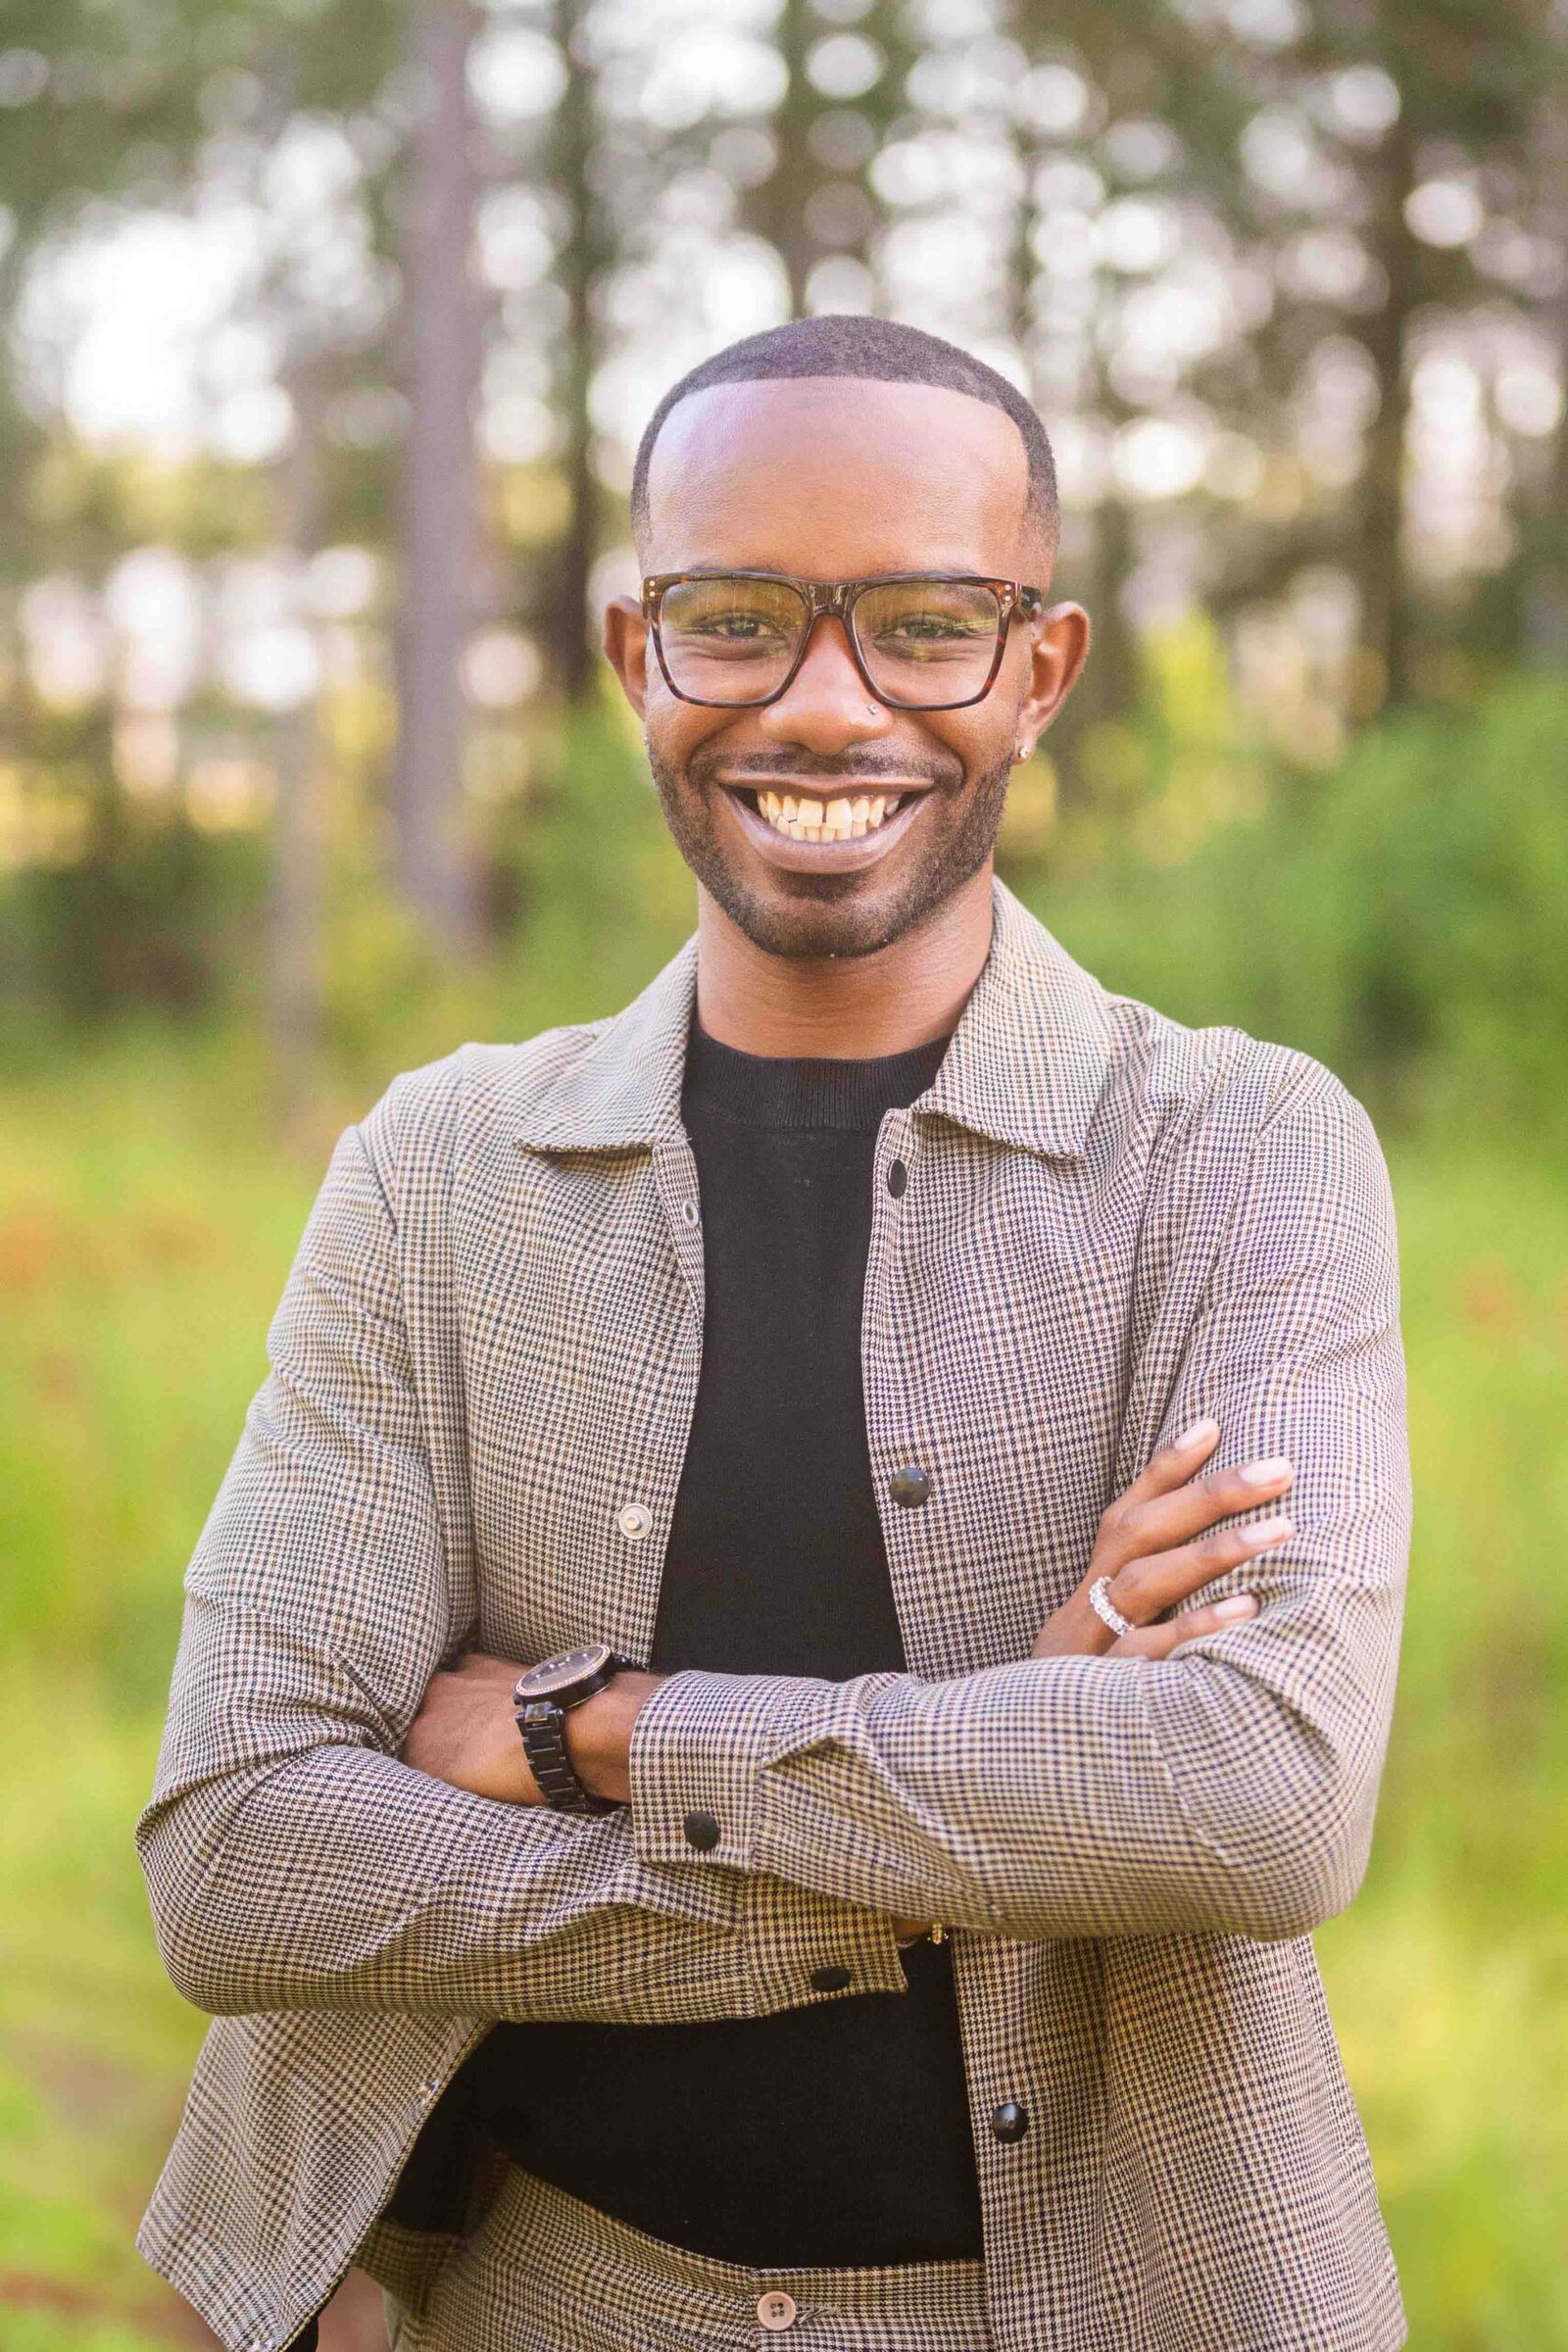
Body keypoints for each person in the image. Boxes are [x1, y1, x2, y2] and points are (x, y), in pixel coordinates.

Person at [136, 317, 1410, 2352]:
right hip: (543, 2301)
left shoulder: (1239, 1154)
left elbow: (1256, 1796)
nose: (825, 705)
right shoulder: (442, 1172)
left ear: (1039, 670)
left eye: (925, 625)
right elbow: (241, 1855)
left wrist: (593, 1736)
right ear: (635, 652)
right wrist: (987, 1791)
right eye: (735, 618)